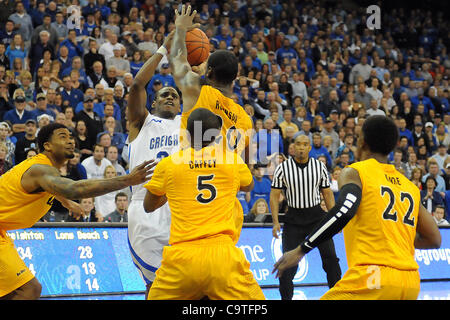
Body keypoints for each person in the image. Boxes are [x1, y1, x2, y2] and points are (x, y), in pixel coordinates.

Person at [273, 115, 441, 300]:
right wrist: (392, 237)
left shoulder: (355, 172)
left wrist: (301, 250)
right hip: (409, 282)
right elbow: (434, 239)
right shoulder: (408, 185)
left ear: (362, 142)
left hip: (372, 277)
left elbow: (345, 210)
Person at [0, 122, 155, 299]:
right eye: (63, 136)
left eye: (71, 137)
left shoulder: (42, 171)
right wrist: (127, 179)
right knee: (29, 289)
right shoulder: (40, 169)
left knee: (11, 291)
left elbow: (48, 188)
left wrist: (66, 202)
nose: (71, 141)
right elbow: (74, 189)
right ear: (47, 146)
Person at [143, 108, 264, 300]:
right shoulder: (231, 160)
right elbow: (248, 185)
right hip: (222, 256)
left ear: (188, 133)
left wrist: (176, 189)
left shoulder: (169, 164)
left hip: (182, 258)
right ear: (215, 135)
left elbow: (148, 206)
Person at [126, 29, 183, 297]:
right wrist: (163, 49)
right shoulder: (141, 122)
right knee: (155, 285)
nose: (170, 97)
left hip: (181, 206)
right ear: (154, 102)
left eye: (175, 95)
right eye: (164, 95)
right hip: (145, 206)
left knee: (188, 282)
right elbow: (137, 86)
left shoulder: (189, 124)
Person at [170, 5, 253, 162]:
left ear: (209, 72)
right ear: (235, 76)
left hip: (190, 176)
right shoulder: (245, 119)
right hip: (225, 182)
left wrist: (180, 29)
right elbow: (246, 166)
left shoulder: (197, 91)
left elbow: (176, 61)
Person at [270, 134, 341, 300]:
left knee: (331, 260)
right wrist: (275, 222)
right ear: (293, 147)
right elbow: (274, 196)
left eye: (305, 145)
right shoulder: (283, 168)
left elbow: (327, 193)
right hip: (293, 219)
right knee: (287, 267)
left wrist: (334, 220)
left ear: (310, 148)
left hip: (317, 218)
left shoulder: (320, 167)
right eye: (298, 144)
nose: (301, 147)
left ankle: (338, 296)